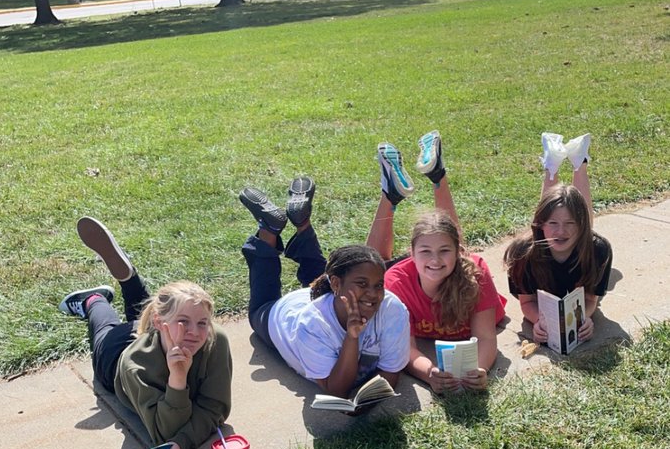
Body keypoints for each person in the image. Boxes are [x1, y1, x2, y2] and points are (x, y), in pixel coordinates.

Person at [59, 218, 232, 449]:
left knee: (159, 313)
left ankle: (131, 282)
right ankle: (92, 299)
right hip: (116, 354)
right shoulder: (134, 366)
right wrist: (177, 376)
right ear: (159, 324)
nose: (196, 333)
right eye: (185, 322)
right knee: (104, 325)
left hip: (158, 331)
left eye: (202, 322)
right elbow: (165, 433)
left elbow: (216, 408)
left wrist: (182, 444)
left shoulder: (214, 338)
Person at [239, 179, 410, 398]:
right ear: (335, 285)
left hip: (327, 296)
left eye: (379, 285)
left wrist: (368, 401)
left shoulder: (392, 308)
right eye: (363, 284)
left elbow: (391, 374)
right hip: (282, 315)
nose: (373, 294)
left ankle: (301, 224)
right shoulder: (311, 325)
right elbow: (336, 390)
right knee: (259, 308)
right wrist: (351, 336)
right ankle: (269, 231)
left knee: (328, 276)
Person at [366, 136, 506, 393]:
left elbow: (486, 337)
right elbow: (404, 348)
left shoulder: (475, 272)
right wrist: (429, 373)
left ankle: (437, 174)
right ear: (411, 253)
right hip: (405, 271)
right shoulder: (397, 282)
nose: (435, 260)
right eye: (425, 252)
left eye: (445, 251)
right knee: (371, 267)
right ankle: (391, 194)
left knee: (443, 235)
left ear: (458, 252)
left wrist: (482, 369)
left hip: (456, 267)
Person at [504, 133, 613, 345]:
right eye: (551, 225)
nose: (560, 232)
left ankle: (573, 163)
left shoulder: (599, 250)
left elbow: (591, 299)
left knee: (571, 210)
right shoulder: (521, 254)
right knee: (560, 208)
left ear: (581, 228)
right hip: (541, 246)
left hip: (582, 246)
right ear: (539, 225)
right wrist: (540, 322)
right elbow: (527, 302)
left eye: (571, 225)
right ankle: (562, 164)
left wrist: (584, 318)